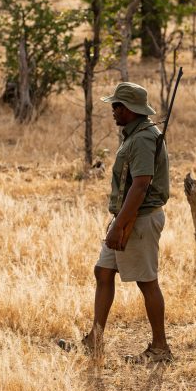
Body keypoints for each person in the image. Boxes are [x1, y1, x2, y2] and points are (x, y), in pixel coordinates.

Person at [58, 82, 173, 363]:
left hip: (140, 218)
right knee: (103, 272)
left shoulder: (145, 138)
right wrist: (118, 223)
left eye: (118, 106)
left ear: (131, 110)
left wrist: (119, 225)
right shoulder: (134, 134)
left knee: (147, 282)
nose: (113, 110)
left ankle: (160, 348)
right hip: (126, 216)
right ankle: (94, 339)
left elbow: (141, 185)